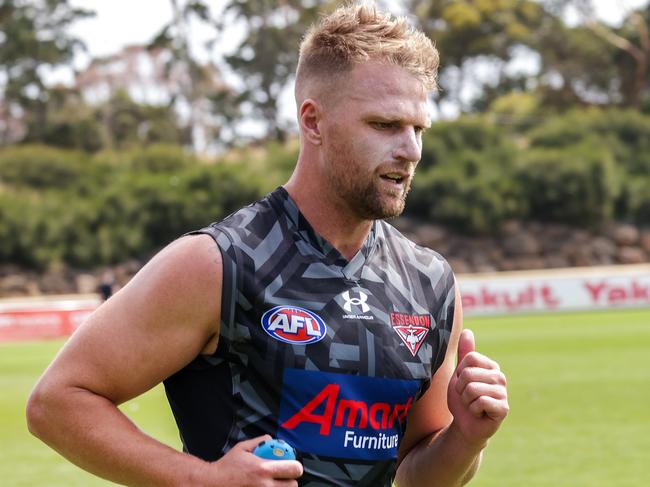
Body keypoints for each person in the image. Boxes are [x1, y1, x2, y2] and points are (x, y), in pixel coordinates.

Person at [26, 4, 508, 486]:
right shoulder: (218, 262)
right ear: (313, 122)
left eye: (417, 128)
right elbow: (58, 402)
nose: (411, 150)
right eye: (384, 125)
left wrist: (467, 438)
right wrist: (203, 480)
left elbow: (416, 476)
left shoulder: (429, 283)